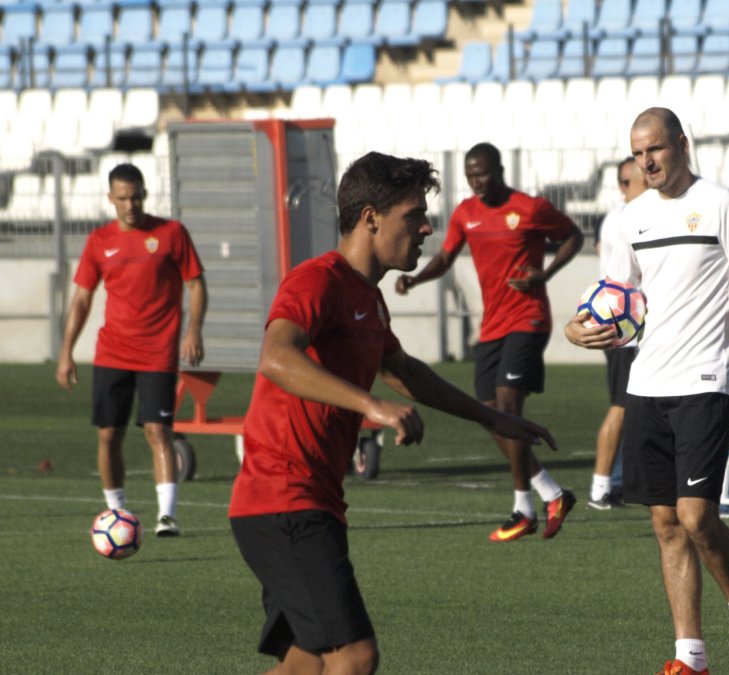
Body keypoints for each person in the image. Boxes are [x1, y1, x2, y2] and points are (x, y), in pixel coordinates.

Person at [228, 152, 557, 674]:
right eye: (414, 214)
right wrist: (372, 407)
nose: (428, 227)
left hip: (309, 501)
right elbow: (275, 356)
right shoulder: (318, 281)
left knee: (305, 666)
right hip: (282, 499)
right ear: (370, 218)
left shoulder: (368, 299)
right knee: (354, 658)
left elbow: (404, 370)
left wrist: (490, 417)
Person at [566, 108, 729, 675]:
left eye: (656, 149)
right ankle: (689, 657)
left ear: (681, 145)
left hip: (705, 383)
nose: (646, 161)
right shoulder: (626, 219)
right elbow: (615, 297)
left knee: (696, 518)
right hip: (646, 385)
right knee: (665, 524)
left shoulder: (722, 203)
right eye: (638, 152)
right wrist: (576, 328)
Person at [395, 142, 584, 542]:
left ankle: (522, 508)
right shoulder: (466, 213)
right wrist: (415, 278)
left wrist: (544, 275)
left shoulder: (529, 208)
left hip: (528, 319)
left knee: (508, 406)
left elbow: (574, 236)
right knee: (489, 415)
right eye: (470, 176)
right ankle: (552, 493)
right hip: (492, 327)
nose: (476, 182)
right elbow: (446, 258)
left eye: (482, 173)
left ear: (498, 171)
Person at [56, 162, 207, 537]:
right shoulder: (99, 241)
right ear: (111, 198)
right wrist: (66, 351)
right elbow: (81, 300)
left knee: (158, 431)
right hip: (113, 352)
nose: (130, 205)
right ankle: (116, 513)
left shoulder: (171, 233)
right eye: (123, 198)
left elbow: (196, 284)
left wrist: (194, 330)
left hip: (158, 352)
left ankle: (167, 516)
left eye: (136, 197)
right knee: (109, 435)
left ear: (145, 195)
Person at [588, 156, 647, 510]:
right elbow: (623, 278)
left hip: (633, 325)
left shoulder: (630, 217)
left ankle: (624, 481)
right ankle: (600, 486)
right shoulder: (622, 219)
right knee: (621, 408)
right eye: (626, 181)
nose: (631, 188)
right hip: (624, 326)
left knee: (637, 409)